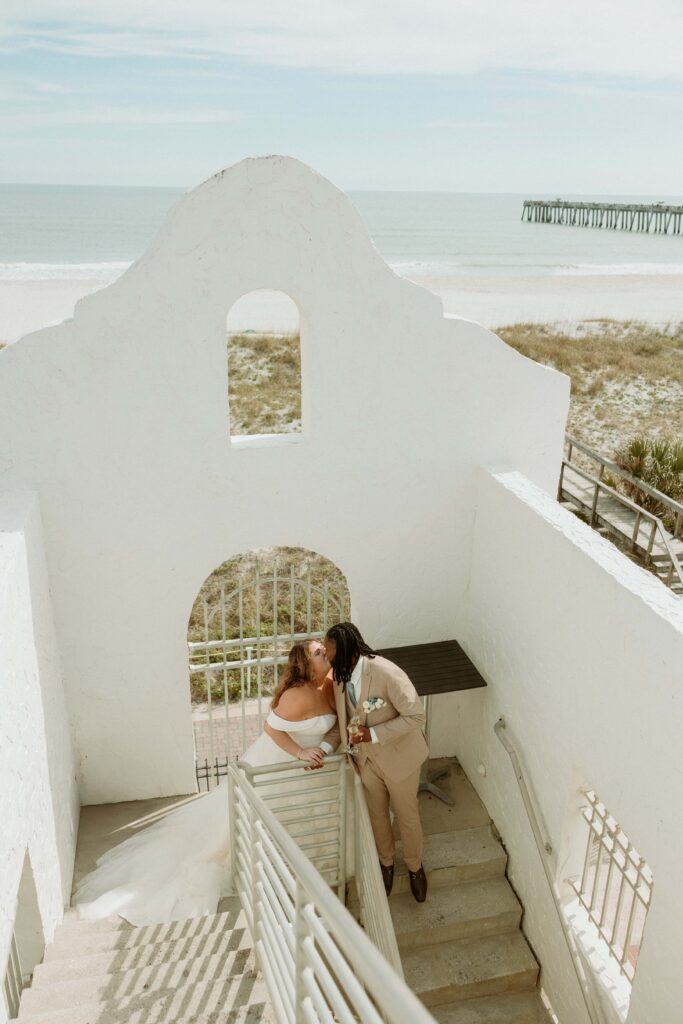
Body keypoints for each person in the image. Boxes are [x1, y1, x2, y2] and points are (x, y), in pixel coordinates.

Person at [72, 639, 337, 925]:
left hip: (310, 772)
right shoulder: (296, 695)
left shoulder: (328, 684)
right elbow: (270, 728)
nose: (325, 653)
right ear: (306, 665)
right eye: (318, 652)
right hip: (280, 763)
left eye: (323, 648)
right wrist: (300, 752)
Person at [321, 622, 429, 902]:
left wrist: (374, 734)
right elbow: (342, 721)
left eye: (330, 650)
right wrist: (322, 748)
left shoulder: (386, 672)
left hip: (399, 760)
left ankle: (416, 867)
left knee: (407, 816)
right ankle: (386, 863)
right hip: (365, 763)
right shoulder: (339, 678)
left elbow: (416, 716)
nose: (327, 656)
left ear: (347, 650)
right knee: (377, 816)